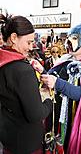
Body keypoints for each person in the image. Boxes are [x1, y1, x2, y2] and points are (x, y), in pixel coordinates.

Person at [36, 0, 81, 154]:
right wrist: (42, 71)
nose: (69, 42)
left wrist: (58, 83)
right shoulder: (65, 58)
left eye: (75, 38)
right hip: (58, 114)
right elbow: (53, 79)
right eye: (69, 38)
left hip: (74, 121)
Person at [0, 14, 53, 154]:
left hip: (8, 134)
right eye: (28, 42)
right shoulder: (22, 70)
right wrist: (49, 101)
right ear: (13, 38)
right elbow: (35, 115)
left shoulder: (4, 60)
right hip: (27, 141)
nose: (31, 47)